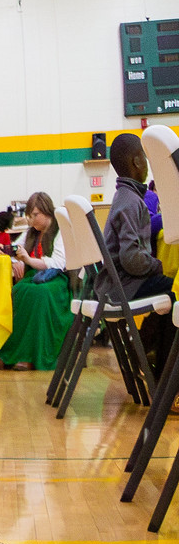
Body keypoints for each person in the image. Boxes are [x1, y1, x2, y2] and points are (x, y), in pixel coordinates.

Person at [102, 133, 175, 379]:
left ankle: (146, 351)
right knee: (175, 292)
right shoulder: (132, 201)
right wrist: (158, 265)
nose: (146, 162)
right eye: (144, 156)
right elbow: (131, 258)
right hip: (125, 286)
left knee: (170, 291)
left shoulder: (123, 198)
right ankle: (165, 374)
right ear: (136, 162)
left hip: (116, 286)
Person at [0, 192, 69, 370]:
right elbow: (16, 251)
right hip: (36, 277)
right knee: (15, 292)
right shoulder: (32, 233)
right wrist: (13, 259)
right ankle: (10, 354)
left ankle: (32, 355)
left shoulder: (60, 231)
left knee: (38, 295)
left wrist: (26, 260)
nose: (31, 219)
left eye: (35, 215)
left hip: (58, 280)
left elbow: (58, 264)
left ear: (47, 211)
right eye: (30, 215)